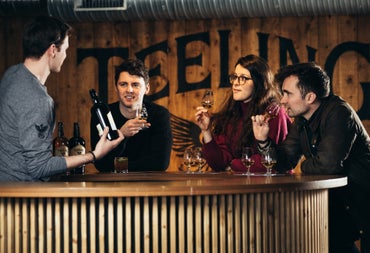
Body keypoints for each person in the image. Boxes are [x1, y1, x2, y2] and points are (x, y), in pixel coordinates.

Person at [252, 62, 370, 253]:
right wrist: (263, 140)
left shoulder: (339, 112)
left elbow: (327, 165)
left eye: (287, 93)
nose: (282, 100)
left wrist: (304, 166)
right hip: (340, 204)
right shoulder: (302, 120)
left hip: (363, 199)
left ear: (310, 97)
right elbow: (284, 161)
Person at [0, 16, 124, 182]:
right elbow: (39, 167)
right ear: (52, 50)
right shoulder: (38, 99)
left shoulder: (11, 75)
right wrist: (94, 155)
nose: (65, 55)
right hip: (23, 198)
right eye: (65, 49)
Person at [195, 54, 291, 173]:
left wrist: (233, 165)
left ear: (258, 82)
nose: (235, 83)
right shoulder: (232, 112)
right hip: (241, 185)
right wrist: (206, 131)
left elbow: (269, 162)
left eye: (243, 78)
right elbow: (219, 164)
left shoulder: (273, 112)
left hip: (273, 187)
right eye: (234, 77)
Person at [90, 58, 172, 172]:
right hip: (112, 186)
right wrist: (122, 135)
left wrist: (117, 165)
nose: (129, 90)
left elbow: (161, 163)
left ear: (147, 88)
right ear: (116, 88)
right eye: (123, 84)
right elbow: (101, 164)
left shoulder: (159, 115)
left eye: (135, 85)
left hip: (150, 185)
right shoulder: (102, 115)